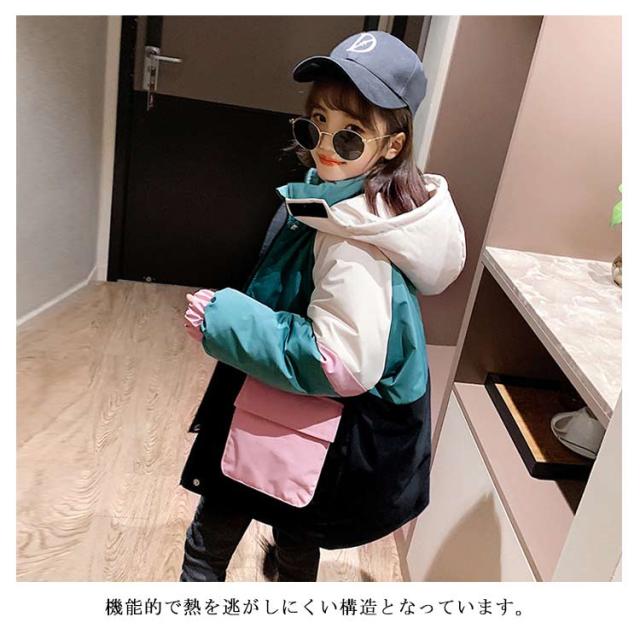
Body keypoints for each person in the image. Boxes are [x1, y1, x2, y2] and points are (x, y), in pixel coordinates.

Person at [179, 30, 466, 582]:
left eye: (351, 135)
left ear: (392, 146)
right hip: (291, 417)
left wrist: (228, 320)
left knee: (208, 548)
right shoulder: (338, 201)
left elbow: (342, 362)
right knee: (294, 541)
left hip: (291, 418)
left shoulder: (353, 241)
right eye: (315, 124)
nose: (326, 145)